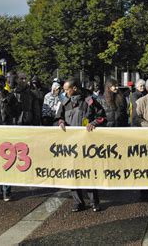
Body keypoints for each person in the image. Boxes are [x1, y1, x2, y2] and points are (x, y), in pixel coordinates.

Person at [56, 77, 106, 212]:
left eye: (67, 90)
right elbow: (58, 117)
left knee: (88, 172)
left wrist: (93, 123)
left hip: (86, 145)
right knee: (73, 174)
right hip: (70, 144)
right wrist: (60, 122)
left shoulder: (89, 100)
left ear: (75, 88)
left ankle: (94, 202)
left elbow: (102, 116)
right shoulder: (64, 101)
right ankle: (78, 202)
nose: (65, 92)